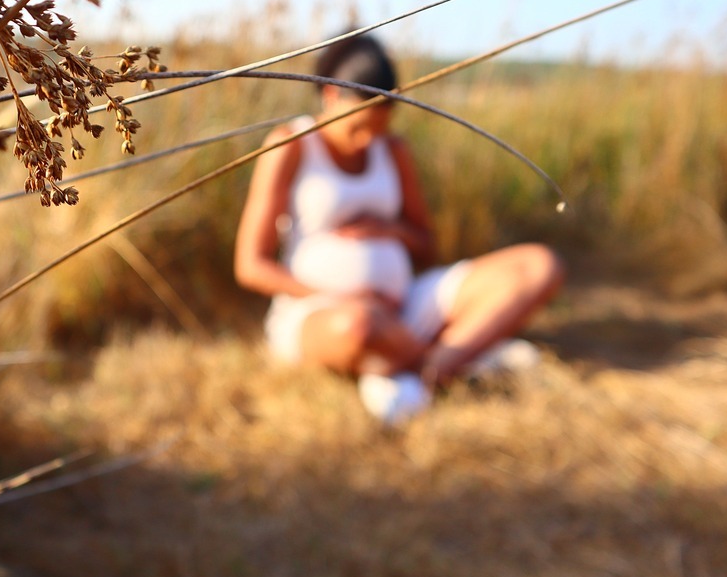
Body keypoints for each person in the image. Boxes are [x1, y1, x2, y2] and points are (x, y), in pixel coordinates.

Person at [233, 32, 564, 425]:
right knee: (356, 326)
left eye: (378, 127)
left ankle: (416, 364)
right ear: (330, 97)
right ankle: (452, 361)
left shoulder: (392, 150)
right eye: (357, 127)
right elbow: (251, 266)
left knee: (539, 265)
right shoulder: (291, 144)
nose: (367, 140)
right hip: (323, 312)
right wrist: (336, 295)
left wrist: (393, 231)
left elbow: (426, 249)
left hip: (404, 305)